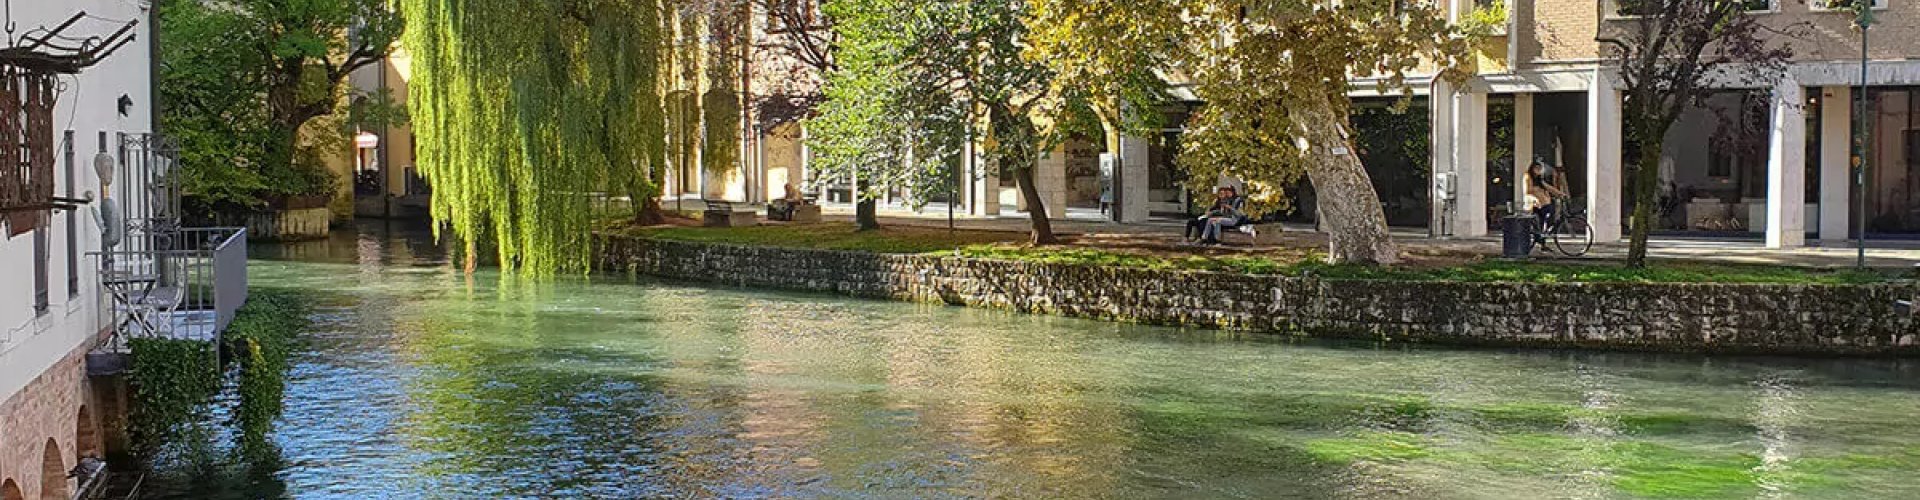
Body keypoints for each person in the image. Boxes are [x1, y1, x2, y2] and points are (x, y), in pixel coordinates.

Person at [1525, 159, 1568, 243]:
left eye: (1539, 169)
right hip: (1535, 204)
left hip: (1544, 203)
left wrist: (1560, 193)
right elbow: (1527, 191)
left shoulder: (1539, 179)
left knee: (1548, 217)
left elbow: (1548, 187)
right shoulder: (1528, 177)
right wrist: (1534, 199)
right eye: (1536, 169)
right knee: (1544, 218)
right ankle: (1541, 236)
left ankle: (1543, 241)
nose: (1538, 171)